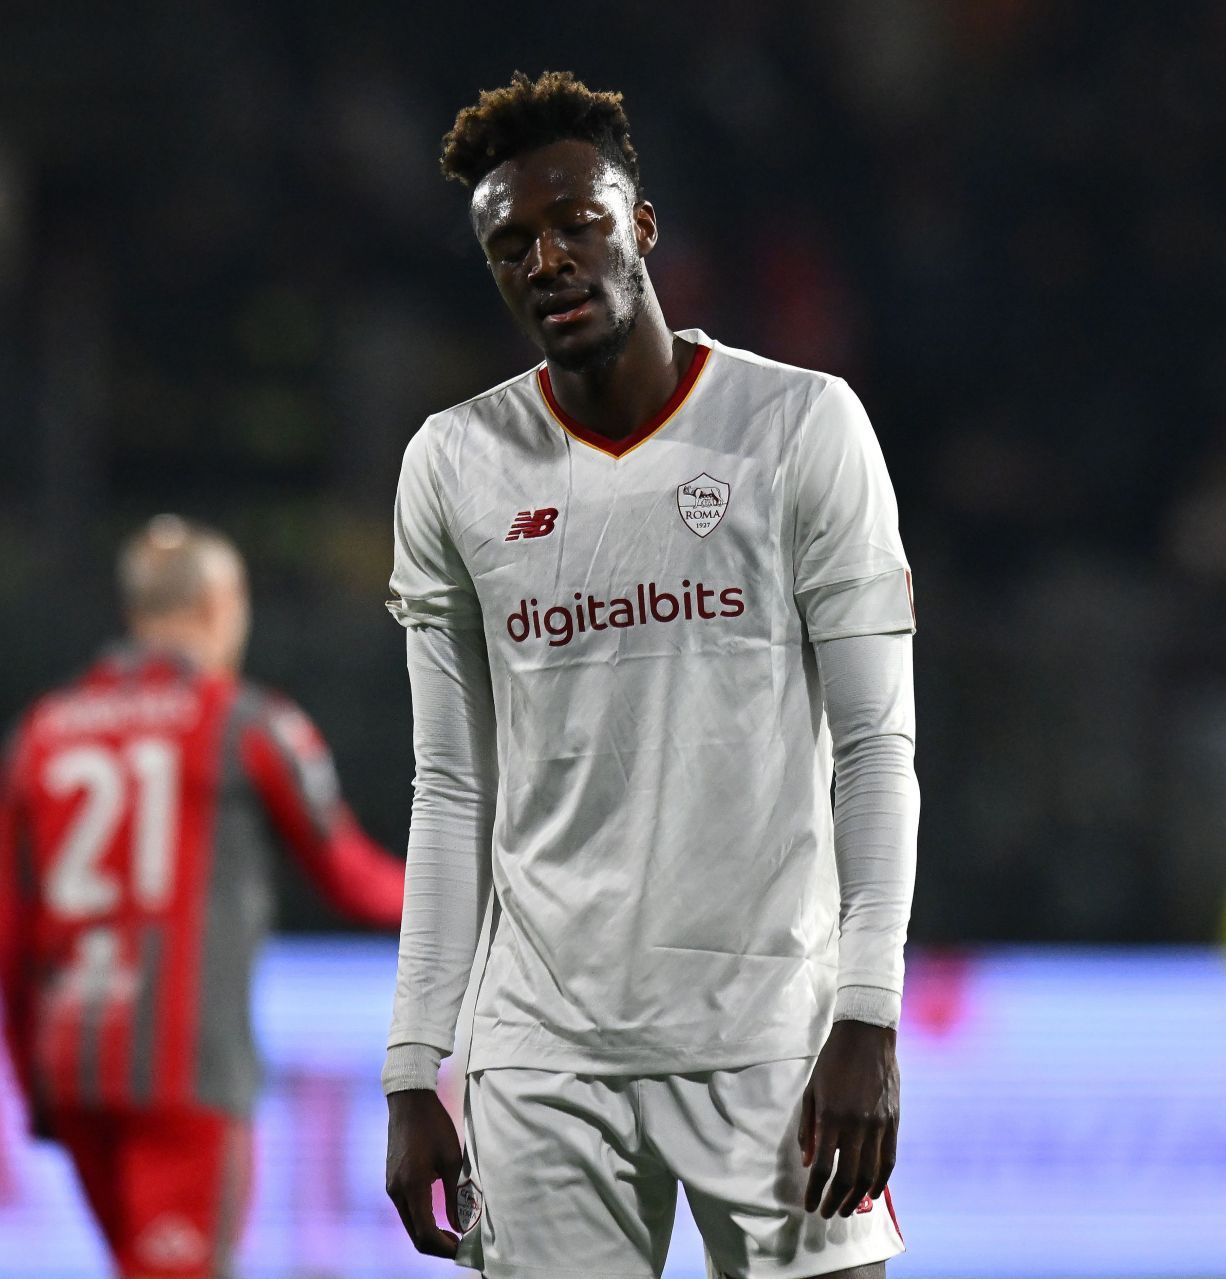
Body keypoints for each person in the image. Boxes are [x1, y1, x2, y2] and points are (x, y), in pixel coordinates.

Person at [381, 72, 921, 1279]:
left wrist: (868, 1012)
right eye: (511, 243)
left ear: (643, 225)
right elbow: (451, 789)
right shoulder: (453, 465)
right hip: (543, 1051)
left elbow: (878, 749)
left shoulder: (801, 426)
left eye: (578, 222)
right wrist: (416, 1063)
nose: (549, 260)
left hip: (772, 1035)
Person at [0, 515, 404, 1279]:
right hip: (184, 1068)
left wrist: (30, 1077)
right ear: (218, 604)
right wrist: (477, 904)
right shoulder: (246, 722)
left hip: (75, 1063)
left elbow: (4, 931)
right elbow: (350, 878)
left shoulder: (40, 733)